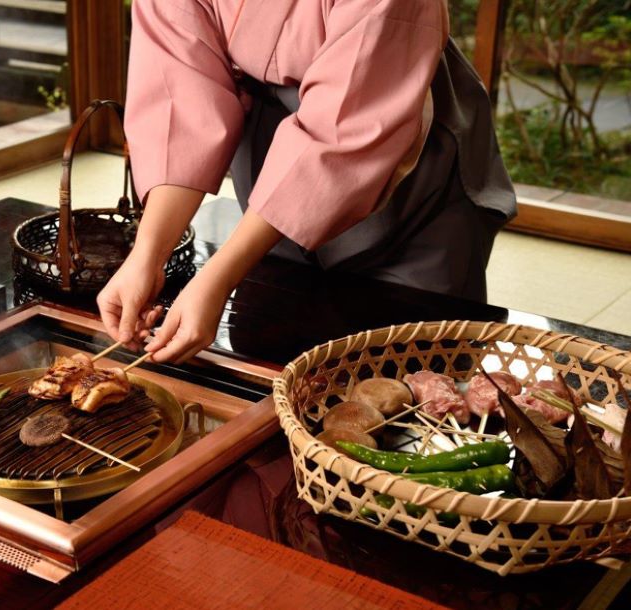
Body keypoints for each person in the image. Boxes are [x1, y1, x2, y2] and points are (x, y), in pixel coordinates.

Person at [97, 0, 517, 363]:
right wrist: (147, 256)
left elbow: (345, 126)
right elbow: (181, 103)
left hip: (400, 143)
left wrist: (217, 279)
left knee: (418, 364)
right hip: (272, 153)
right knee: (281, 346)